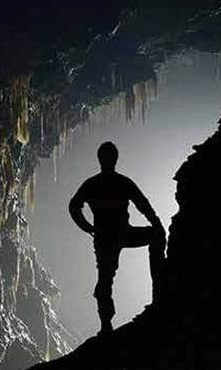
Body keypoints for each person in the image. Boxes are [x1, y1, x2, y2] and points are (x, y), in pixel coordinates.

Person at [68, 141, 166, 335]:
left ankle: (106, 324)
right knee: (106, 278)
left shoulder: (92, 184)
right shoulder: (121, 182)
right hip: (119, 234)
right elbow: (143, 204)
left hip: (109, 236)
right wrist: (157, 224)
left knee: (105, 277)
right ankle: (109, 322)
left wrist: (88, 227)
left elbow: (74, 206)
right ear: (114, 159)